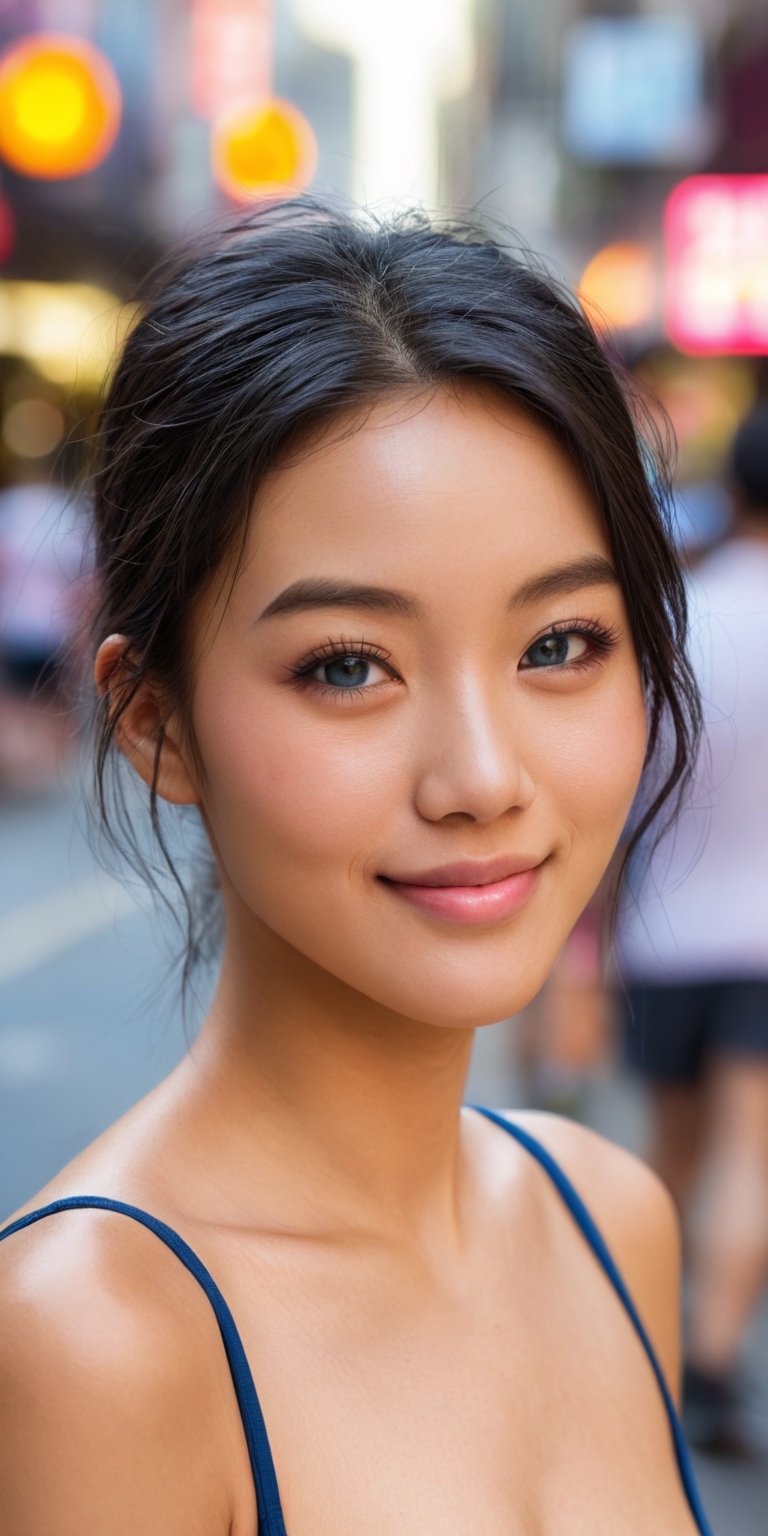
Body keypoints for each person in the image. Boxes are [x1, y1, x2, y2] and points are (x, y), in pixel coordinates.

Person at [0, 201, 711, 1535]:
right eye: (349, 666)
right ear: (157, 721)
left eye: (559, 642)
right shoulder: (92, 1342)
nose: (484, 776)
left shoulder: (612, 1221)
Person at [617, 400, 768, 1457]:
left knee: (667, 1152)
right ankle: (710, 1363)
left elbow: (624, 791)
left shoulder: (681, 620)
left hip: (666, 932)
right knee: (749, 1154)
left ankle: (633, 1337)